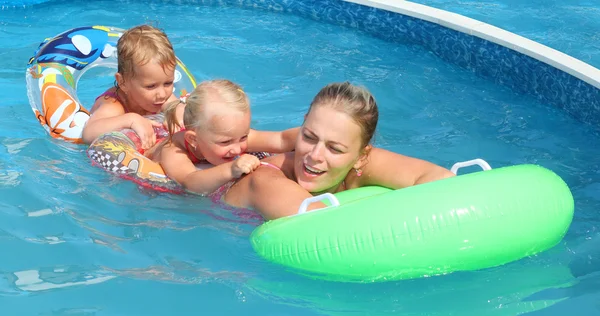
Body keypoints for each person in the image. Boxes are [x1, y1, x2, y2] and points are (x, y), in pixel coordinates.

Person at [222, 81, 455, 220]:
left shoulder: (361, 164)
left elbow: (442, 180)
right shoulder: (265, 179)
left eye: (334, 148)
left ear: (361, 156)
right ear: (301, 126)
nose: (314, 155)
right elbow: (319, 226)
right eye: (309, 137)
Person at [146, 79, 300, 195]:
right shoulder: (173, 150)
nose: (237, 149)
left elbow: (281, 140)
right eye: (225, 142)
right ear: (193, 140)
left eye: (243, 137)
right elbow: (189, 182)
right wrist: (231, 169)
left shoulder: (233, 137)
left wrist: (312, 133)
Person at [81, 24, 184, 149]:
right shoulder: (114, 106)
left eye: (168, 83)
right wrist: (130, 119)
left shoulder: (161, 97)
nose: (162, 94)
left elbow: (179, 108)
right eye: (151, 86)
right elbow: (88, 133)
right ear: (123, 82)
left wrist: (178, 112)